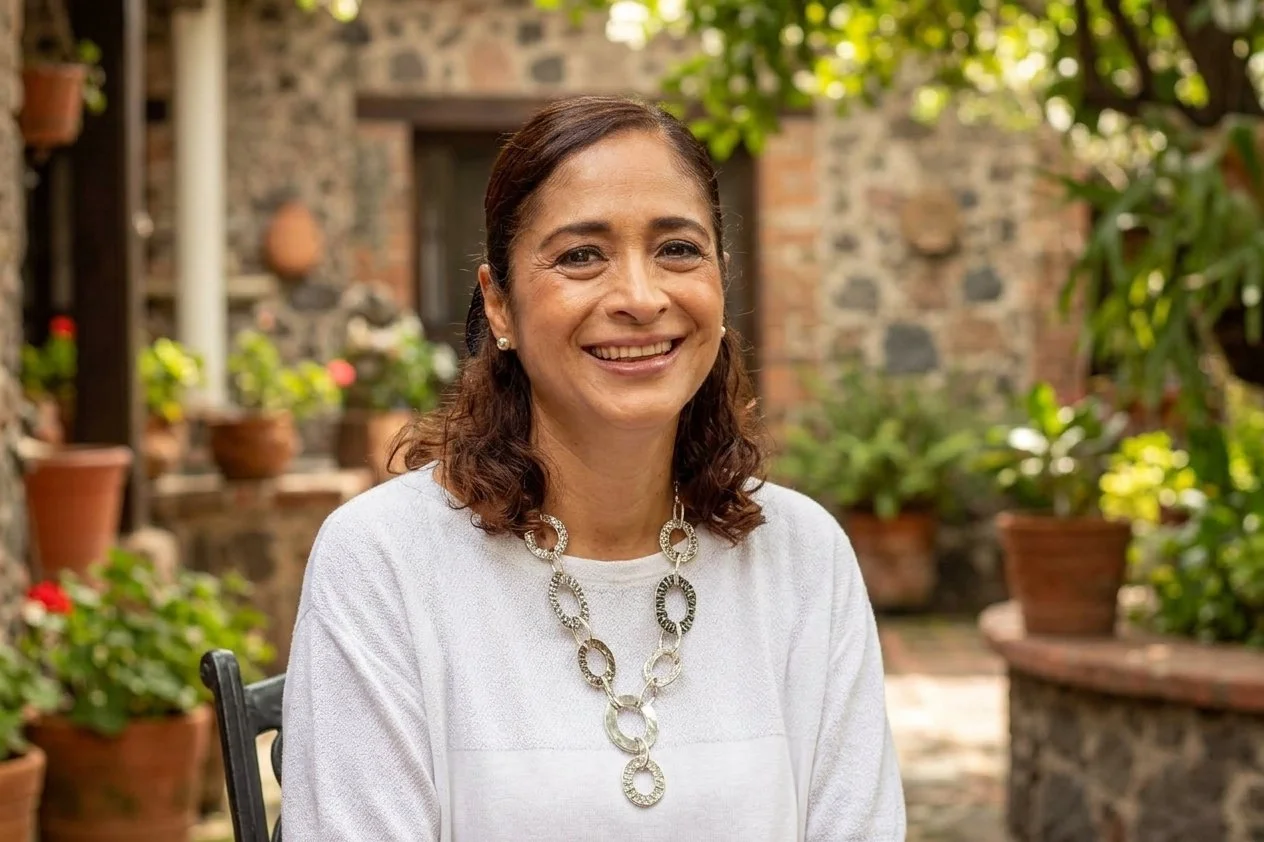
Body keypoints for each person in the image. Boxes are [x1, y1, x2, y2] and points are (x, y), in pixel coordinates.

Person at [281, 95, 906, 840]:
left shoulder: (804, 557)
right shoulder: (384, 562)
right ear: (500, 306)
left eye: (677, 249)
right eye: (581, 255)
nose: (641, 298)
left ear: (721, 279)